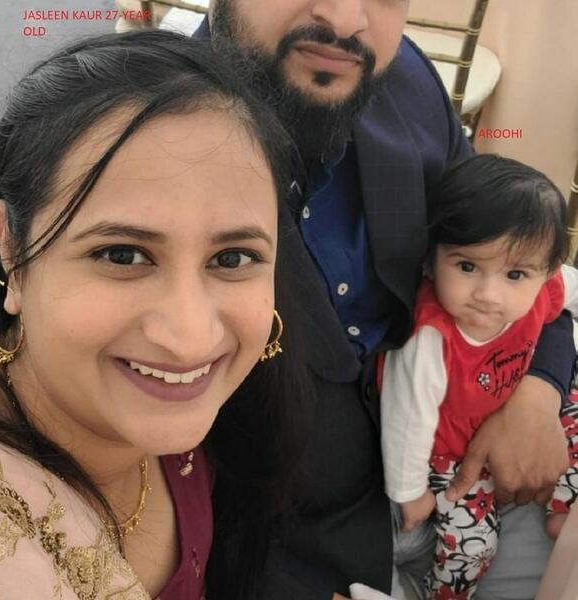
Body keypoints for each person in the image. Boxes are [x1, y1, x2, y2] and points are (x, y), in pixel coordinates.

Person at [182, 3, 577, 600]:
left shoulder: (404, 81)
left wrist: (540, 387)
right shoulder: (153, 149)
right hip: (305, 554)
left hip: (479, 459)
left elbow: (507, 250)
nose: (346, 18)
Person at [0, 30, 307, 598]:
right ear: (12, 246)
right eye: (122, 255)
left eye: (232, 258)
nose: (189, 338)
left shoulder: (228, 430)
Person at [376, 154, 578, 599]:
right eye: (467, 267)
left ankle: (564, 509)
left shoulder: (542, 289)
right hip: (449, 455)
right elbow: (406, 422)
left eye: (515, 274)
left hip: (506, 407)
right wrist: (410, 493)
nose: (488, 294)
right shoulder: (431, 338)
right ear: (431, 261)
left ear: (544, 273)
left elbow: (572, 289)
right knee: (474, 545)